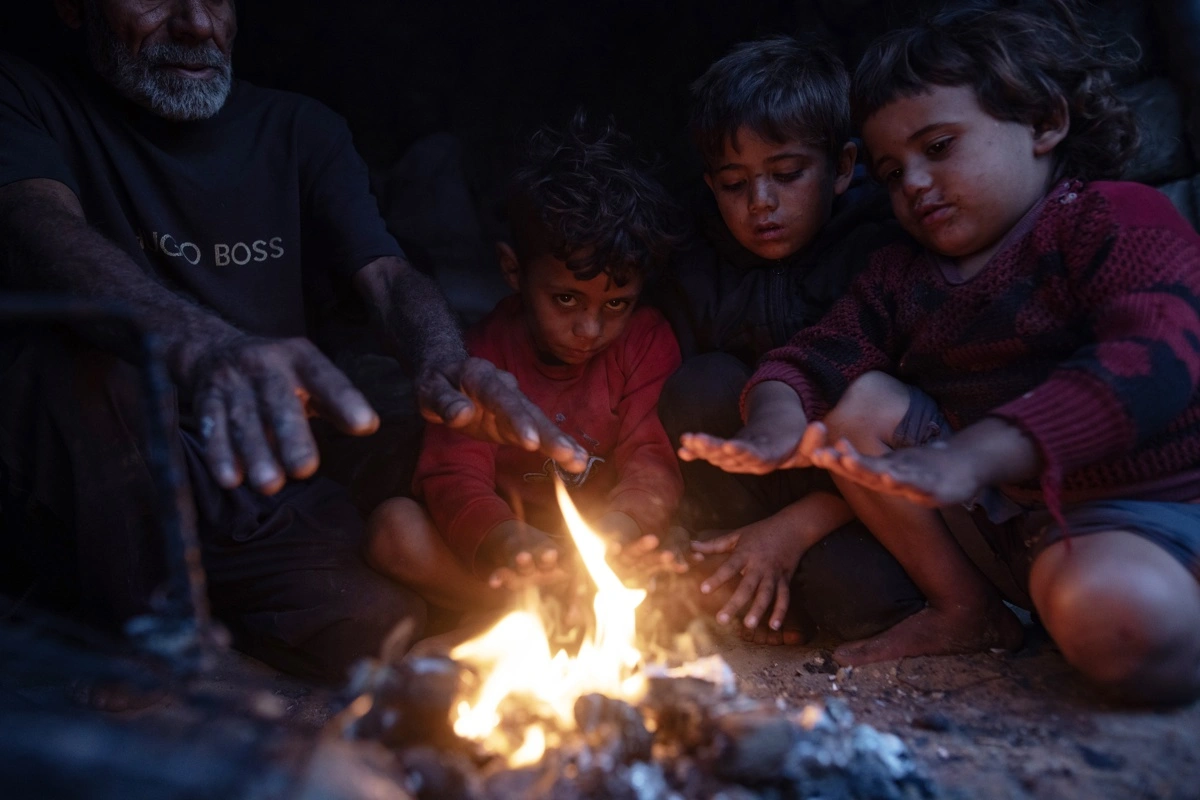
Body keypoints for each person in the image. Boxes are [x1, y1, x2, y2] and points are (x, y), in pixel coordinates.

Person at [0, 0, 590, 683]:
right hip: (99, 481)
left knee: (380, 626)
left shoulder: (298, 129)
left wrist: (444, 360)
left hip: (260, 483)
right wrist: (209, 348)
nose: (196, 22)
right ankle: (142, 657)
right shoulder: (24, 99)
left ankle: (193, 620)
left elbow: (387, 274)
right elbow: (40, 230)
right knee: (94, 377)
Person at [680, 0, 1200, 704]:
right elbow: (812, 359)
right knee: (860, 401)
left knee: (1127, 627)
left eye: (939, 147)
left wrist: (973, 454)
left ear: (1044, 122)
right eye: (892, 172)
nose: (915, 184)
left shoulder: (1111, 219)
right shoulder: (901, 275)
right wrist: (773, 427)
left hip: (1149, 504)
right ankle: (966, 611)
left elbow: (1152, 358)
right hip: (1018, 529)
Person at [652, 36, 922, 645]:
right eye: (733, 183)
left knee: (854, 597)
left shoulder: (880, 253)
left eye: (787, 174)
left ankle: (779, 580)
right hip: (747, 497)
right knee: (702, 381)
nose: (760, 204)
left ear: (845, 168)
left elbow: (918, 440)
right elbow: (687, 430)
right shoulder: (696, 268)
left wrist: (794, 530)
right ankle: (742, 571)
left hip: (861, 502)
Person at [366, 117, 683, 614]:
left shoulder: (647, 341)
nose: (589, 329)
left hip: (610, 544)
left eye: (616, 304)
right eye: (565, 299)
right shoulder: (481, 355)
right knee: (394, 530)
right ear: (513, 270)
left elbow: (652, 461)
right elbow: (454, 476)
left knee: (685, 547)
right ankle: (537, 618)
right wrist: (509, 542)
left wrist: (615, 539)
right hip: (515, 553)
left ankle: (568, 615)